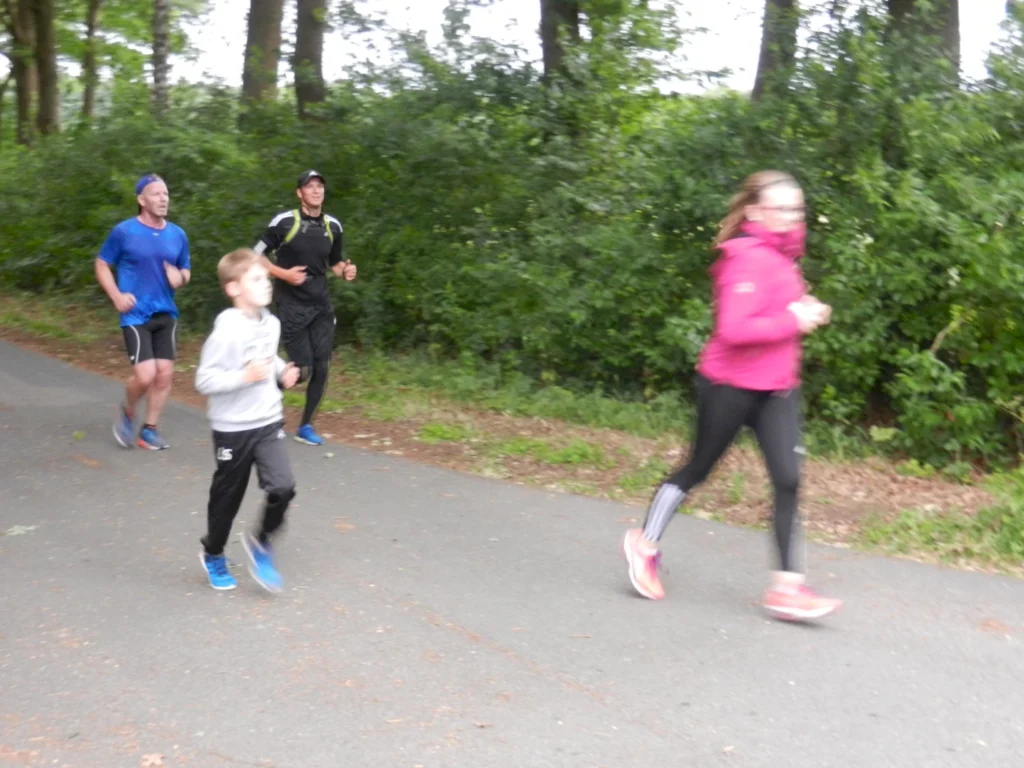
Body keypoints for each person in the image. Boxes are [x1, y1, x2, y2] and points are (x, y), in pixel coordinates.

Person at [622, 170, 841, 622]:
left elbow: (774, 309)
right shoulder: (744, 258)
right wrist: (794, 320)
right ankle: (644, 544)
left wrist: (804, 308)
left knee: (788, 479)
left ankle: (787, 588)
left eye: (797, 208)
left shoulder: (783, 257)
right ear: (756, 211)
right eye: (782, 208)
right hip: (729, 385)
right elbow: (734, 329)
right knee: (699, 468)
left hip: (777, 388)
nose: (793, 216)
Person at [194, 249, 301, 592]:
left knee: (283, 487)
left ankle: (261, 541)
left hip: (268, 421)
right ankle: (213, 552)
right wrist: (244, 377)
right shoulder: (225, 333)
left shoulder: (271, 323)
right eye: (256, 279)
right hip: (232, 429)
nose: (267, 284)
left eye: (267, 278)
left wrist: (282, 372)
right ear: (234, 288)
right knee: (227, 498)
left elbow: (267, 358)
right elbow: (204, 380)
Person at [253, 170, 357, 447]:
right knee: (303, 369)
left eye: (319, 186)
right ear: (300, 193)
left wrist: (345, 271)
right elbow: (255, 254)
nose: (316, 190)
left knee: (322, 366)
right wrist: (283, 274)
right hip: (291, 304)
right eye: (310, 186)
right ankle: (261, 399)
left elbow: (335, 263)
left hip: (321, 304)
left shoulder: (333, 226)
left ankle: (306, 426)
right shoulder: (284, 222)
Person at [95, 173, 191, 450]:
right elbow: (102, 264)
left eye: (166, 194)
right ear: (141, 199)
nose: (163, 199)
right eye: (156, 194)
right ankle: (128, 410)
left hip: (166, 312)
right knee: (146, 375)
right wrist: (116, 295)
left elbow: (185, 270)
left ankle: (149, 429)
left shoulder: (177, 234)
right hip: (135, 313)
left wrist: (180, 278)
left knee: (165, 374)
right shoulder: (124, 231)